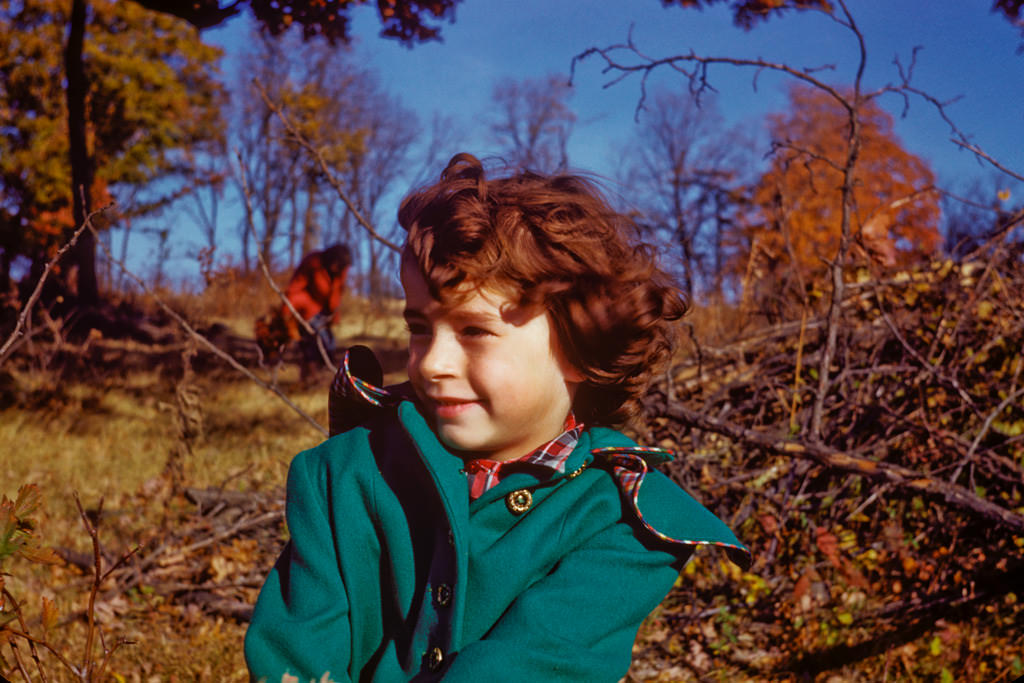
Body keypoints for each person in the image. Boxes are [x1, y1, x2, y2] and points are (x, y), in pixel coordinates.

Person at [244, 154, 749, 682]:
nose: (432, 363)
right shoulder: (344, 473)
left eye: (474, 331)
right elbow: (299, 646)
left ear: (579, 349)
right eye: (420, 328)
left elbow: (537, 663)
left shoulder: (626, 522)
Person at [254, 243, 352, 376]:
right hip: (306, 310)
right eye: (335, 264)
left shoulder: (341, 270)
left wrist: (334, 317)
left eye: (339, 266)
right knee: (313, 340)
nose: (336, 268)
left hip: (325, 312)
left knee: (330, 344)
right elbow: (295, 287)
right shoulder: (313, 262)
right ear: (330, 258)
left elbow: (337, 294)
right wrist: (287, 313)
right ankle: (312, 376)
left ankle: (324, 375)